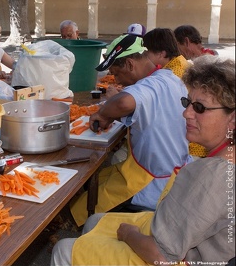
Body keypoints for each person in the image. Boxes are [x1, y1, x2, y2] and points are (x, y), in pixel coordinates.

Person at [51, 56, 235, 266]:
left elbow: (160, 256)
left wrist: (129, 235)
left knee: (63, 249)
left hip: (172, 257)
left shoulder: (212, 175)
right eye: (188, 103)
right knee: (94, 220)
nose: (186, 113)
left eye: (200, 108)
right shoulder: (222, 159)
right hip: (177, 237)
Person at [69, 34, 190, 227]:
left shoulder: (149, 84)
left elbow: (124, 101)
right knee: (98, 180)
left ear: (131, 65)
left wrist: (104, 114)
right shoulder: (169, 77)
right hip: (173, 169)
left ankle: (86, 228)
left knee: (82, 206)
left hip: (154, 181)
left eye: (116, 74)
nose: (117, 80)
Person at [144, 27, 206, 158]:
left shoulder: (171, 75)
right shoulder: (179, 62)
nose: (144, 58)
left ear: (161, 53)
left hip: (189, 147)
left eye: (146, 53)